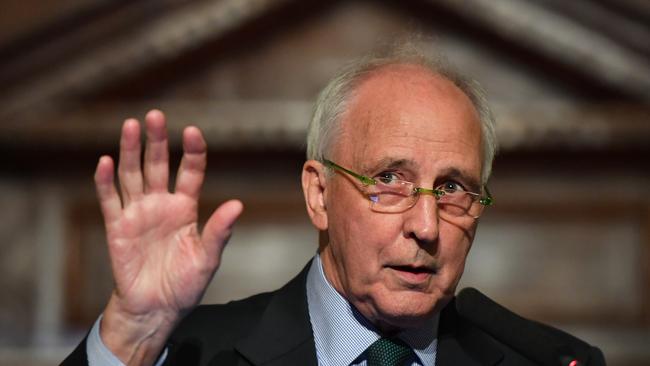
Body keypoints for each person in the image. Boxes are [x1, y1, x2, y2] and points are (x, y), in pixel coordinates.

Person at [62, 44, 605, 366]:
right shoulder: (192, 355)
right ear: (318, 195)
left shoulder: (547, 363)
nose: (426, 226)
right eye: (389, 179)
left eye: (451, 189)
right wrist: (132, 334)